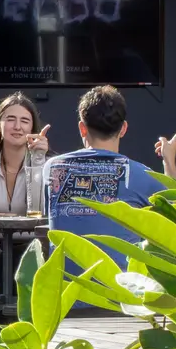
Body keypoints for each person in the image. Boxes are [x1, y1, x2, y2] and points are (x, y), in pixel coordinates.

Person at [45, 86, 165, 263]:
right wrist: (168, 162)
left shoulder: (52, 167)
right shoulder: (144, 175)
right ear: (123, 129)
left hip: (64, 286)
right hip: (120, 288)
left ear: (82, 128)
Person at [0, 93, 50, 215]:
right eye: (10, 120)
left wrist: (38, 161)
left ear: (32, 127)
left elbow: (44, 211)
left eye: (24, 121)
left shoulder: (48, 165)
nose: (17, 127)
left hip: (34, 234)